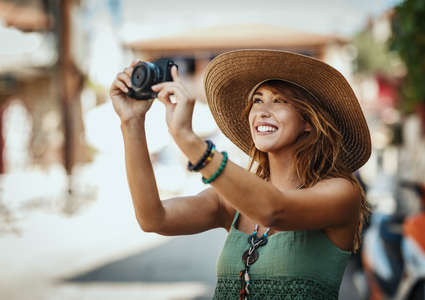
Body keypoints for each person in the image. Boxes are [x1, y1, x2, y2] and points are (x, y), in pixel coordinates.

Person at [110, 49, 371, 299]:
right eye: (257, 100)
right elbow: (154, 218)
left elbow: (274, 210)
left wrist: (188, 140)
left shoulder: (342, 191)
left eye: (279, 101)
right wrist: (131, 122)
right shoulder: (232, 200)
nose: (262, 111)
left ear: (308, 121)